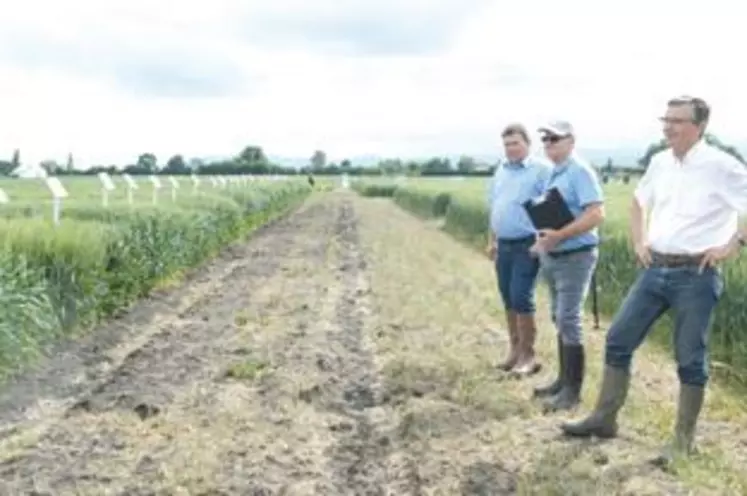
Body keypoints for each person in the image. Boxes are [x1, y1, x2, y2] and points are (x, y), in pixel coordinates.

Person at [561, 96, 747, 467]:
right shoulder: (660, 162)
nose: (667, 127)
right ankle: (604, 419)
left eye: (676, 120)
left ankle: (682, 442)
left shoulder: (722, 165)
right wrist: (638, 241)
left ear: (699, 126)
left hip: (696, 275)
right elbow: (636, 202)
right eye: (666, 119)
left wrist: (733, 245)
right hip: (654, 269)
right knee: (618, 339)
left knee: (689, 358)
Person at [529, 120, 605, 411]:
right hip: (554, 256)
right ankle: (562, 381)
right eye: (545, 139)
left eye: (554, 139)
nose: (548, 144)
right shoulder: (554, 173)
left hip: (576, 256)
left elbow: (596, 214)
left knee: (568, 318)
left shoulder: (579, 172)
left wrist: (559, 235)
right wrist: (543, 240)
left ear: (571, 141)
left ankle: (572, 392)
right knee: (558, 317)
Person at [486, 123, 552, 377]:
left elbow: (552, 208)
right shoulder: (500, 170)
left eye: (515, 143)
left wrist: (542, 239)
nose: (510, 149)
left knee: (521, 295)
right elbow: (494, 206)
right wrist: (492, 240)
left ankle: (528, 355)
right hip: (503, 244)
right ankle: (514, 351)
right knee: (507, 296)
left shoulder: (541, 171)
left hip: (527, 243)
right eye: (506, 144)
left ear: (527, 144)